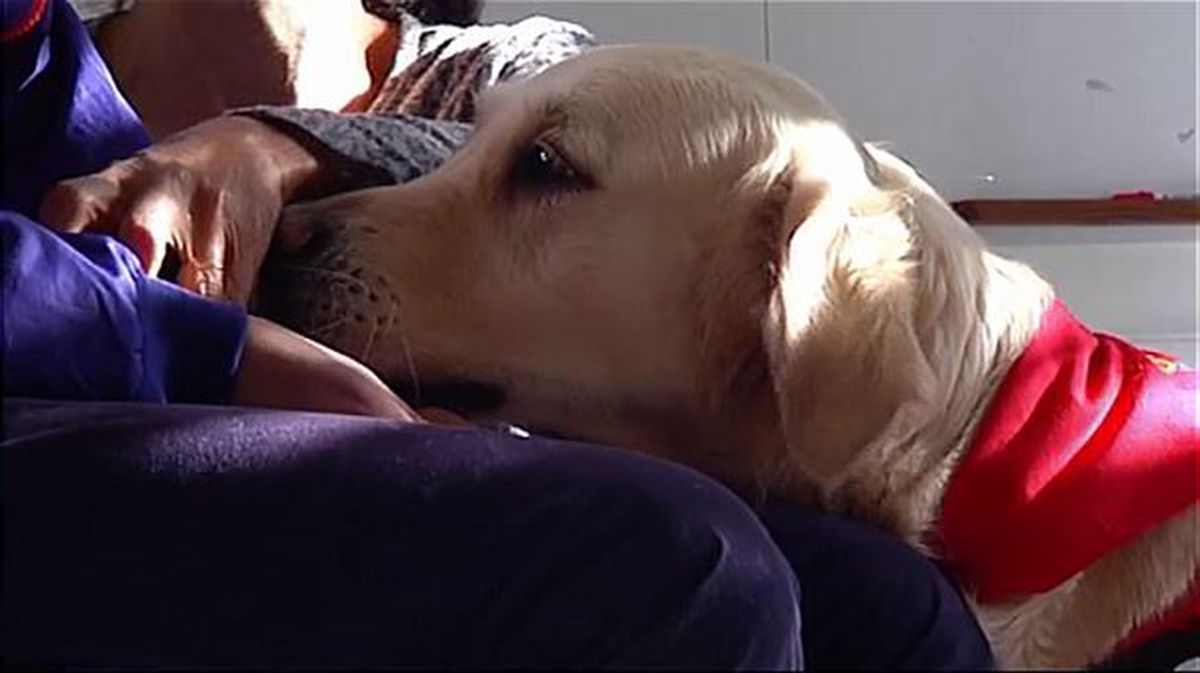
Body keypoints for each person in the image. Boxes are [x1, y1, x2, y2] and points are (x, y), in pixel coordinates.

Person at [1, 0, 995, 668]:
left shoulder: (500, 73)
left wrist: (275, 143)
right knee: (683, 559)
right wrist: (196, 339)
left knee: (889, 608)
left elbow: (642, 161)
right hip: (87, 398)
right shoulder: (71, 61)